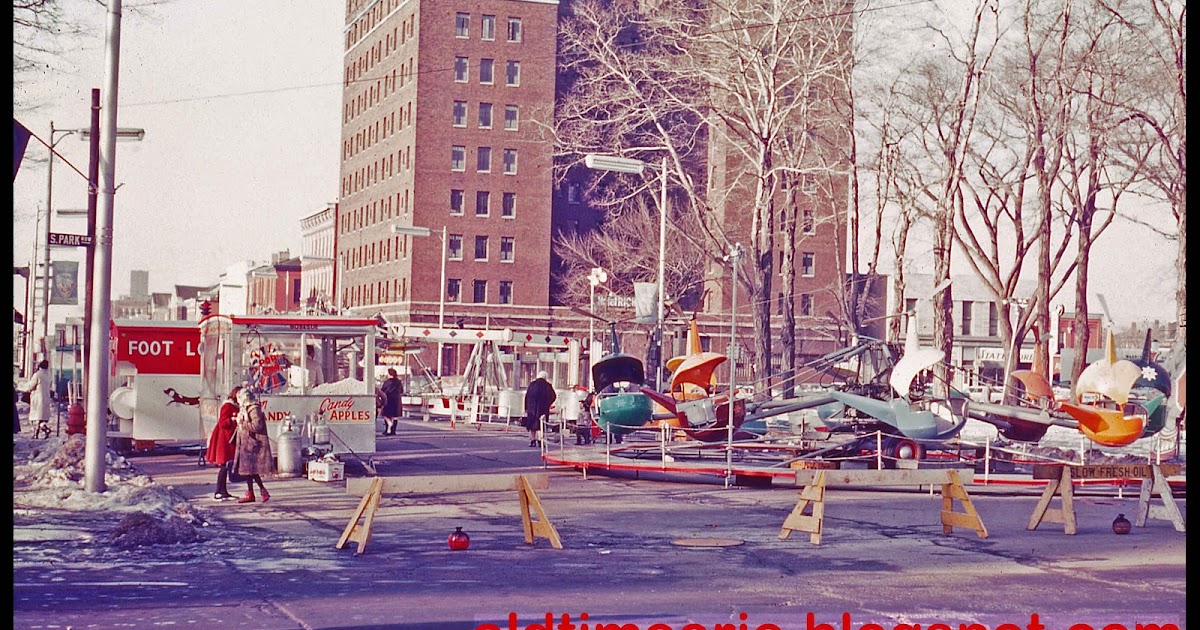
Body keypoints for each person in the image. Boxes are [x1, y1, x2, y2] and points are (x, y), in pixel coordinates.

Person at [232, 388, 273, 503]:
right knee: (248, 471)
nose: (237, 401)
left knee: (251, 471)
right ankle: (254, 492)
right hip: (246, 444)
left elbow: (257, 426)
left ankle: (260, 492)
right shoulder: (245, 409)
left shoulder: (254, 409)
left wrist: (242, 423)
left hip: (253, 445)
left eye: (239, 398)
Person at [205, 386, 241, 501]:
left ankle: (223, 491)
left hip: (228, 439)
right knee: (224, 466)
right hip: (224, 440)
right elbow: (222, 422)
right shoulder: (227, 406)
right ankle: (218, 491)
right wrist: (233, 419)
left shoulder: (233, 406)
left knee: (226, 466)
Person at [16, 360, 52, 438]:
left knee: (36, 418)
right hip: (46, 398)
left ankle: (45, 429)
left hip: (37, 398)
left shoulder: (37, 375)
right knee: (40, 418)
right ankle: (36, 434)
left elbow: (30, 386)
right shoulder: (48, 375)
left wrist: (21, 387)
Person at [523, 370, 556, 447]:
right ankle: (540, 440)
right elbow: (553, 396)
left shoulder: (532, 385)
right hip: (543, 409)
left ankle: (532, 440)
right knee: (541, 425)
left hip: (532, 409)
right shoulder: (548, 386)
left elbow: (526, 397)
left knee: (532, 425)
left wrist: (526, 408)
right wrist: (548, 403)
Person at [379, 368, 405, 436]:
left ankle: (388, 429)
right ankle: (393, 431)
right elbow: (401, 390)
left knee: (386, 415)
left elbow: (382, 391)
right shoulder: (399, 382)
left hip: (388, 399)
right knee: (394, 416)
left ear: (389, 374)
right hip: (397, 400)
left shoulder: (387, 382)